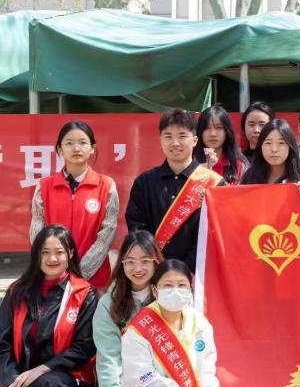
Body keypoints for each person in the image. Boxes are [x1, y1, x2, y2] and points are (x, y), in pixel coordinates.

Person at [0, 225, 97, 387]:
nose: (52, 259)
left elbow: (84, 347)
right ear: (36, 255)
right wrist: (10, 380)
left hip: (65, 375)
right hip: (20, 375)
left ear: (70, 254)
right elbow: (2, 342)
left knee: (46, 385)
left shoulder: (84, 294)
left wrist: (42, 369)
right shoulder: (17, 291)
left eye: (59, 252)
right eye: (45, 252)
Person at [119, 259, 218, 387]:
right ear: (155, 290)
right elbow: (142, 377)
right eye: (167, 285)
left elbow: (208, 367)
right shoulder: (140, 327)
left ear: (190, 289)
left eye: (182, 285)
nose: (175, 291)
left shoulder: (199, 323)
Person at [126, 109, 224, 270]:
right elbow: (137, 230)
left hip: (199, 274)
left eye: (182, 136)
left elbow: (216, 233)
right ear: (160, 140)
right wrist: (160, 267)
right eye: (168, 136)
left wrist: (186, 269)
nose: (175, 143)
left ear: (194, 140)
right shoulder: (144, 183)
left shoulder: (215, 184)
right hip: (155, 272)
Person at [92, 231, 164, 387]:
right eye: (130, 262)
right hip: (127, 379)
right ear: (121, 264)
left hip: (163, 378)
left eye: (145, 261)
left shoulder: (169, 296)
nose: (137, 268)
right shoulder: (108, 303)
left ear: (156, 261)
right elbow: (108, 354)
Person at [30, 120, 118, 291]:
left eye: (83, 142)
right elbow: (37, 233)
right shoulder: (44, 186)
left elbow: (107, 235)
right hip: (52, 277)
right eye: (69, 143)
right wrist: (56, 270)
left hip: (94, 280)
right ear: (60, 149)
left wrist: (79, 275)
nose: (76, 148)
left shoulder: (106, 186)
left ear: (92, 148)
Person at [240, 119, 300, 195]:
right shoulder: (250, 177)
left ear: (290, 146)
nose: (274, 149)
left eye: (281, 143)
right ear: (261, 146)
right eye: (268, 143)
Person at [193, 105, 247, 184]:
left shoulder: (240, 165)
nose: (213, 134)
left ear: (227, 131)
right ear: (200, 131)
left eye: (219, 127)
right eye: (207, 128)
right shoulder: (190, 163)